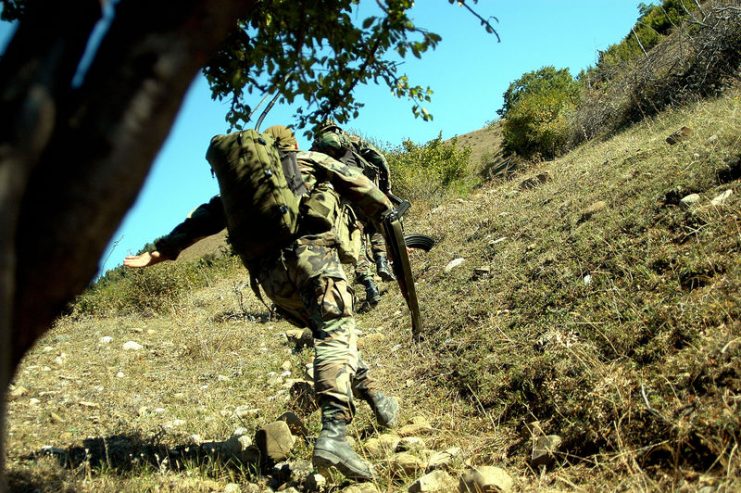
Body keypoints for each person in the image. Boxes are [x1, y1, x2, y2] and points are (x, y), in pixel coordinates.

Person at [124, 125, 399, 481]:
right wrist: (389, 218)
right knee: (336, 332)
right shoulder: (309, 160)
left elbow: (205, 218)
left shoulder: (247, 187)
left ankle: (376, 397)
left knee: (326, 332)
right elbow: (367, 191)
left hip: (271, 279)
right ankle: (335, 433)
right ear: (291, 145)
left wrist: (165, 249)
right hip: (312, 259)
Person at [310, 120, 395, 308]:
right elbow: (378, 158)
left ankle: (369, 285)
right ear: (336, 128)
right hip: (363, 188)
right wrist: (386, 186)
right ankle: (381, 261)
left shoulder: (315, 148)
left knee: (355, 240)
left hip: (342, 199)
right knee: (375, 226)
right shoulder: (351, 139)